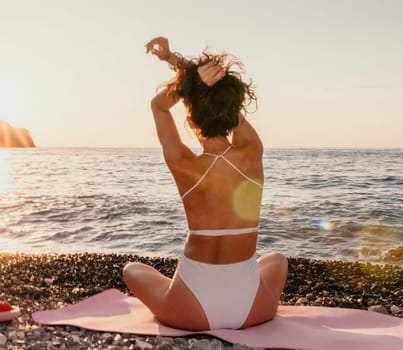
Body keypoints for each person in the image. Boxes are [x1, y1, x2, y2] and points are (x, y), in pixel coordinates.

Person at [122, 37, 288, 331]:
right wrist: (191, 75)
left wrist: (181, 72)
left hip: (190, 311)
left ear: (190, 119)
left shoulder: (183, 164)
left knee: (131, 269)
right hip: (252, 310)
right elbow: (220, 104)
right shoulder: (252, 152)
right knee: (276, 260)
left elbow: (158, 107)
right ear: (231, 106)